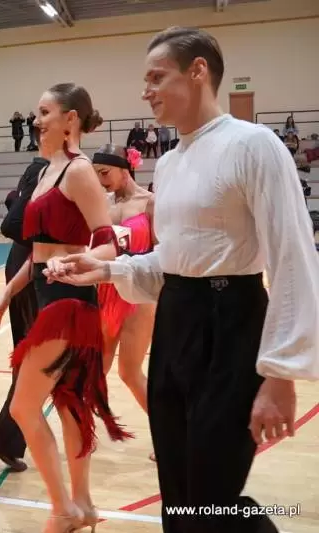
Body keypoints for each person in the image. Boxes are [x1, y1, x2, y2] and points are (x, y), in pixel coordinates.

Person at [52, 27, 319, 533]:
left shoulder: (254, 146)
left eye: (157, 77)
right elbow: (172, 263)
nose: (146, 91)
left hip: (233, 325)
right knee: (178, 495)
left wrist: (280, 373)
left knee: (212, 500)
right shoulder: (170, 163)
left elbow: (293, 259)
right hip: (176, 323)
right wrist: (106, 270)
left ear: (198, 71)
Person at [0, 83, 131, 533]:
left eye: (45, 112)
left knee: (24, 408)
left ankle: (62, 509)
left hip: (69, 303)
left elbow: (108, 244)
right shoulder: (49, 170)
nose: (36, 120)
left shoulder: (80, 171)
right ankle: (82, 504)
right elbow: (38, 251)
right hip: (46, 294)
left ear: (71, 119)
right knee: (69, 405)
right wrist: (7, 293)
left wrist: (75, 261)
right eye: (36, 113)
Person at [0, 154, 48, 473]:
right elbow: (13, 223)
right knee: (39, 361)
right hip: (31, 268)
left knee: (32, 358)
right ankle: (6, 436)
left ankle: (9, 436)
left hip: (21, 264)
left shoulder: (38, 168)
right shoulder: (46, 170)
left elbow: (12, 207)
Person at [92, 144, 157, 461]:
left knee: (130, 372)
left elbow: (161, 251)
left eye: (104, 173)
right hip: (106, 290)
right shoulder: (100, 203)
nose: (100, 180)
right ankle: (81, 433)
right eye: (96, 174)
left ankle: (168, 435)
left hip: (139, 293)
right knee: (96, 371)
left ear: (124, 168)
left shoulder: (149, 202)